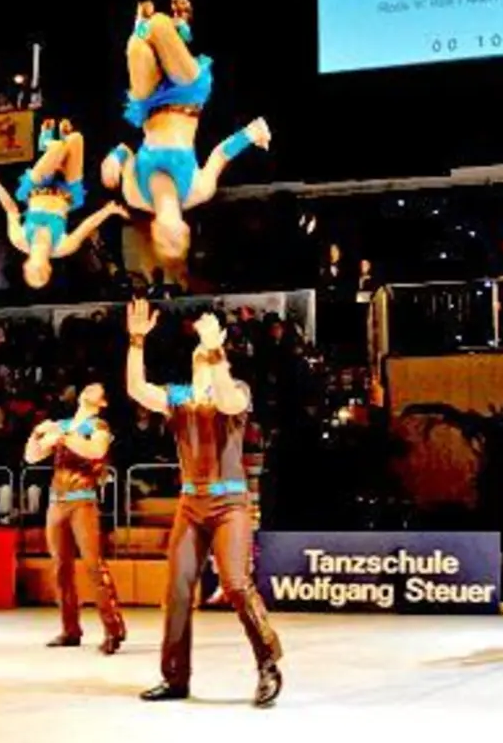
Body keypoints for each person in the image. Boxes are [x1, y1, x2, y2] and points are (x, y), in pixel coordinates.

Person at [124, 299, 283, 707]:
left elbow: (229, 401)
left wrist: (216, 351)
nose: (202, 354)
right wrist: (137, 342)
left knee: (234, 583)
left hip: (230, 504)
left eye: (209, 353)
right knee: (177, 590)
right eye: (199, 352)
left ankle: (268, 663)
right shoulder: (179, 398)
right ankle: (175, 678)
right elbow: (136, 389)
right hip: (190, 506)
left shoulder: (235, 392)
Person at [101, 0, 271, 264]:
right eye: (177, 242)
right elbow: (220, 155)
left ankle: (158, 37)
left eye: (163, 242)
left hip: (149, 104)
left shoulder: (134, 195)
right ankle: (178, 30)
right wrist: (250, 133)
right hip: (187, 97)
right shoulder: (199, 190)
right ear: (186, 231)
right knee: (156, 23)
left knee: (135, 47)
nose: (170, 236)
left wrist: (113, 159)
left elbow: (125, 151)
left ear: (154, 231)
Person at [24, 382, 126, 654]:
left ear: (102, 403)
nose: (90, 388)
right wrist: (37, 433)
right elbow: (32, 456)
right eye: (88, 387)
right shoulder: (63, 424)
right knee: (60, 568)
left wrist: (62, 434)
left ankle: (113, 629)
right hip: (57, 503)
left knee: (94, 566)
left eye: (98, 389)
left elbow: (96, 452)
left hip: (83, 502)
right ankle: (70, 629)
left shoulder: (98, 427)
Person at [0, 119, 128, 288]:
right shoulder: (63, 247)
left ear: (26, 266)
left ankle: (47, 144)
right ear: (49, 269)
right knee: (76, 138)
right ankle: (60, 144)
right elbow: (87, 225)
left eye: (34, 274)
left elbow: (11, 210)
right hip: (66, 194)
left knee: (58, 148)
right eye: (43, 276)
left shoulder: (19, 239)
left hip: (36, 189)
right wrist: (108, 211)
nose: (38, 272)